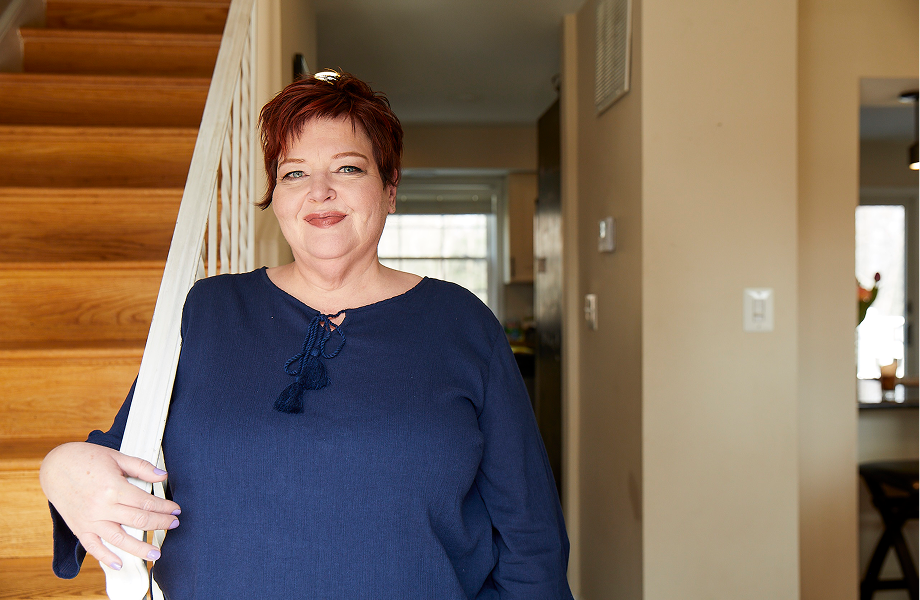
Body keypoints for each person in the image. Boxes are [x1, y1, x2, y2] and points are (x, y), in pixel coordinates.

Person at [40, 71, 573, 599]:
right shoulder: (209, 310)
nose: (320, 192)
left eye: (348, 167)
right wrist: (57, 469)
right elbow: (120, 455)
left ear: (389, 189)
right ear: (276, 196)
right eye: (294, 174)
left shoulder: (462, 322)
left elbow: (530, 535)